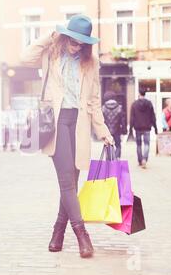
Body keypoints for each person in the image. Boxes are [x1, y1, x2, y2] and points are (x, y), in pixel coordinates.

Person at [20, 14, 114, 258]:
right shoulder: (50, 54)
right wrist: (49, 37)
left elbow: (93, 100)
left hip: (80, 124)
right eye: (73, 40)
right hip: (57, 122)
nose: (77, 46)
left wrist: (103, 131)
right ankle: (83, 236)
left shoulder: (91, 63)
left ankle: (57, 233)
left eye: (82, 42)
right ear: (64, 36)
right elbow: (25, 57)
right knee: (66, 180)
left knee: (71, 181)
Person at [129, 88, 158, 169]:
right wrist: (155, 128)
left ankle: (140, 160)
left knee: (138, 145)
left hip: (137, 127)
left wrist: (130, 128)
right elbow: (153, 116)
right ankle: (144, 159)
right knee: (147, 144)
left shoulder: (134, 104)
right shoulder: (149, 104)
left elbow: (132, 117)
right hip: (147, 127)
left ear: (139, 94)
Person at [102, 91, 127, 159]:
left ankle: (109, 160)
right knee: (118, 145)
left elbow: (102, 121)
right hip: (117, 130)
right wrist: (124, 130)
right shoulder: (119, 107)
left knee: (108, 146)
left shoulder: (103, 108)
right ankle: (116, 158)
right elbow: (123, 121)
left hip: (107, 131)